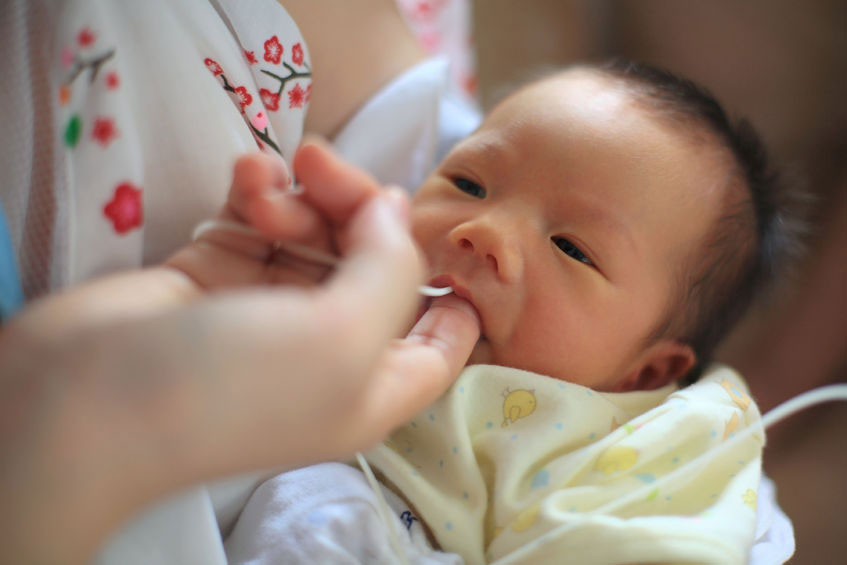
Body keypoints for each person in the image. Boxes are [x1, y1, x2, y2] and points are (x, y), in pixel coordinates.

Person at [221, 61, 801, 563]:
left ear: (646, 372)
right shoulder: (336, 279)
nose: (484, 232)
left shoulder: (651, 439)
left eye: (571, 249)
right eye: (468, 183)